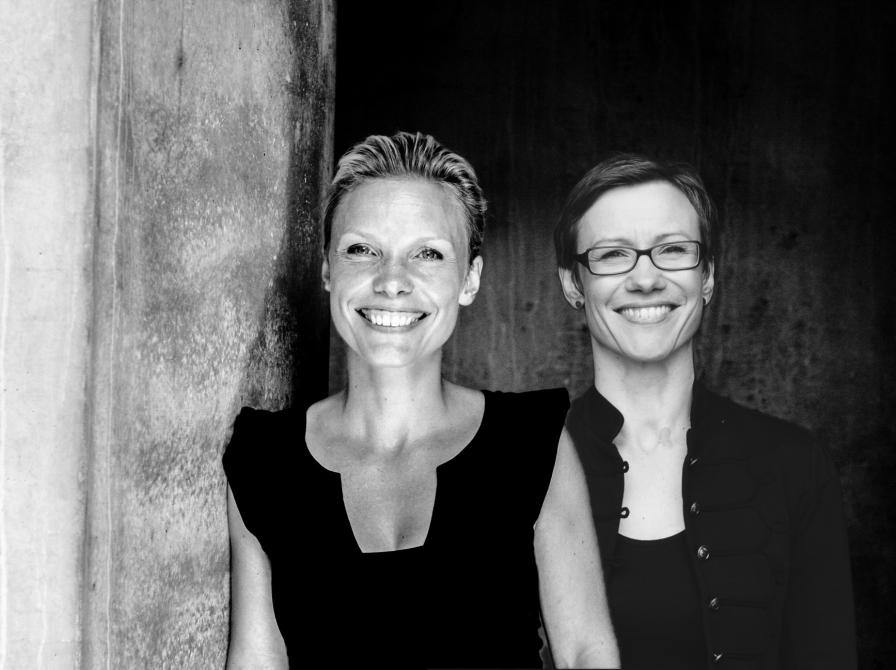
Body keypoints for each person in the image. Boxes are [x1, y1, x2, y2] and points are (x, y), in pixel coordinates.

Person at [223, 132, 619, 669]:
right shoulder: (262, 458)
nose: (392, 281)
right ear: (327, 269)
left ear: (469, 280)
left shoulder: (532, 442)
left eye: (428, 253)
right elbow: (256, 660)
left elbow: (586, 654)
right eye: (362, 250)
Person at [553, 153, 857, 669]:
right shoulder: (520, 466)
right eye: (612, 254)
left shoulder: (795, 465)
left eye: (673, 250)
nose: (645, 278)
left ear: (708, 276)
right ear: (572, 283)